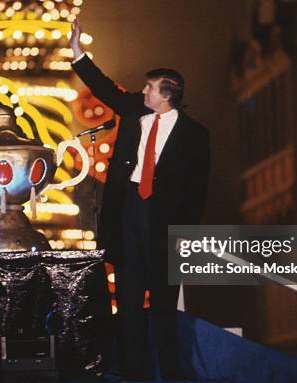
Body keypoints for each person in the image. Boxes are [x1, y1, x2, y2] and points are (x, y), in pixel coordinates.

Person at [70, 19, 211, 381]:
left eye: (149, 88)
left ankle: (172, 374)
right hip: (128, 212)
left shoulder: (195, 136)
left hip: (164, 226)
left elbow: (197, 192)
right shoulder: (135, 110)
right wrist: (77, 52)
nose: (143, 91)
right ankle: (133, 374)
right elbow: (103, 87)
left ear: (167, 94)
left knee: (163, 308)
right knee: (129, 306)